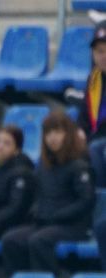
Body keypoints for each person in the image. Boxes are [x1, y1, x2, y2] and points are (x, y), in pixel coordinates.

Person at [1, 112, 95, 277]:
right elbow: (38, 196)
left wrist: (58, 215)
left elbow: (86, 200)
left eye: (58, 132)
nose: (52, 138)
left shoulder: (79, 165)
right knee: (11, 239)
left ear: (68, 134)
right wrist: (37, 211)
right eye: (48, 133)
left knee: (39, 241)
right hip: (45, 223)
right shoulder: (43, 166)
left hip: (73, 226)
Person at [78, 21, 106, 187]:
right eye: (99, 51)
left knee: (95, 150)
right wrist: (78, 133)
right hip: (96, 139)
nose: (103, 56)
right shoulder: (94, 79)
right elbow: (84, 116)